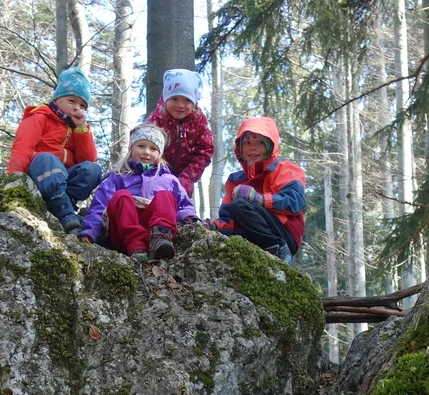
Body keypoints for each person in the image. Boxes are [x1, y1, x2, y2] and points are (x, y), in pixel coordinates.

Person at [78, 123, 197, 260]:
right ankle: (136, 246)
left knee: (166, 196)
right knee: (122, 196)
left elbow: (184, 204)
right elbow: (99, 206)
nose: (147, 152)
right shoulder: (118, 177)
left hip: (153, 227)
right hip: (123, 233)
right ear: (131, 149)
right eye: (141, 146)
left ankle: (160, 239)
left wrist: (189, 216)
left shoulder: (169, 179)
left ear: (160, 154)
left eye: (153, 149)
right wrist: (89, 232)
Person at [6, 67, 102, 233]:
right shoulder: (40, 116)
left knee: (93, 169)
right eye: (71, 101)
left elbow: (87, 158)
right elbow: (23, 145)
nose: (76, 108)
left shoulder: (77, 128)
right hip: (40, 172)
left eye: (82, 105)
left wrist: (81, 130)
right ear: (57, 99)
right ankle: (62, 209)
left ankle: (65, 203)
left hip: (63, 178)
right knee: (47, 158)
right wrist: (13, 176)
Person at [213, 117, 306, 264]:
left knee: (240, 205)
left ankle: (279, 249)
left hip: (283, 233)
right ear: (239, 147)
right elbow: (228, 217)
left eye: (260, 143)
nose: (253, 148)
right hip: (251, 232)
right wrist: (213, 226)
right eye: (247, 143)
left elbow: (295, 203)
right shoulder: (234, 179)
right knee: (218, 235)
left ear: (270, 146)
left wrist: (260, 199)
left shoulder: (285, 168)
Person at [144, 69, 214, 198]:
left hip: (184, 178)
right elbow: (143, 143)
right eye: (174, 99)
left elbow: (205, 150)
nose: (180, 105)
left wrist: (188, 177)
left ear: (194, 102)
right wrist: (151, 172)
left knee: (179, 206)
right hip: (155, 175)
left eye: (187, 100)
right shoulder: (157, 119)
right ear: (166, 98)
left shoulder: (199, 121)